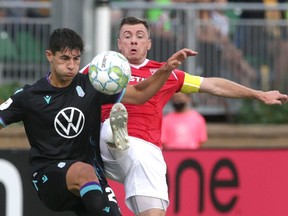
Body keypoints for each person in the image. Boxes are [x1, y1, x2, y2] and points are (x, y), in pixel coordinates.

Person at [81, 16, 287, 216]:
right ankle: (117, 136)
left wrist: (258, 94)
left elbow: (212, 85)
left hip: (146, 152)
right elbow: (65, 86)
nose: (133, 40)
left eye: (140, 35)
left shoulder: (166, 73)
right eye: (127, 35)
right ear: (119, 43)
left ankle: (118, 138)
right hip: (105, 151)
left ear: (149, 43)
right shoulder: (100, 68)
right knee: (111, 126)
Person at [0, 28, 197, 216]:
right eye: (65, 58)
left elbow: (138, 94)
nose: (71, 65)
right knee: (83, 171)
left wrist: (165, 69)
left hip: (91, 178)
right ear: (49, 56)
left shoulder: (92, 85)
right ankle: (112, 137)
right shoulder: (28, 96)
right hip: (49, 175)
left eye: (76, 59)